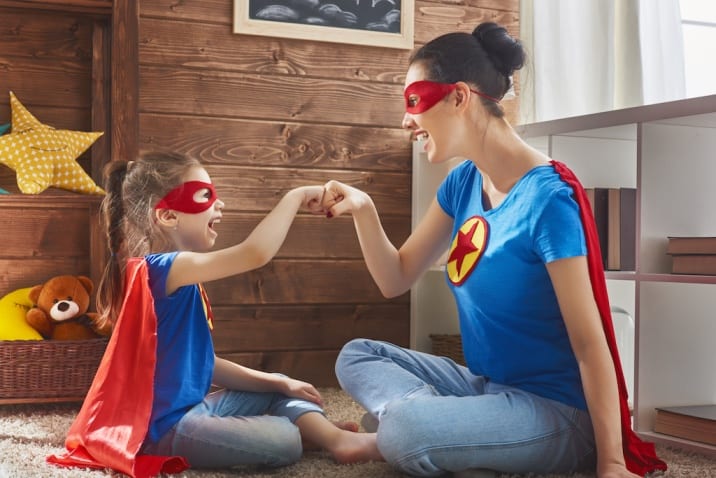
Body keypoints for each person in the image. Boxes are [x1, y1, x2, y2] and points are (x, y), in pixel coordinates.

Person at [321, 22, 667, 478]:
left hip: (555, 410)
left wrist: (612, 463)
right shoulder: (461, 182)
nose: (406, 119)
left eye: (413, 101)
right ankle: (435, 431)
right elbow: (395, 277)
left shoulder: (549, 199)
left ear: (460, 97)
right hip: (486, 388)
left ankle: (413, 432)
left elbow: (589, 343)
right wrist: (364, 210)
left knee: (403, 426)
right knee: (357, 355)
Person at [48, 151, 381, 477]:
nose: (218, 203)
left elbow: (203, 363)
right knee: (284, 440)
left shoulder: (178, 276)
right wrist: (295, 197)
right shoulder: (164, 267)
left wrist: (277, 381)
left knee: (279, 392)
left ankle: (332, 438)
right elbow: (255, 253)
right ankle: (309, 434)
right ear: (167, 216)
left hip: (196, 408)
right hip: (170, 429)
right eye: (205, 195)